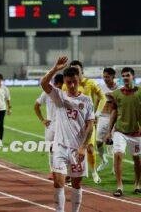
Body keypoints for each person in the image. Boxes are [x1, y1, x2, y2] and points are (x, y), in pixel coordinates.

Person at [41, 56, 95, 212]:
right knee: (58, 183)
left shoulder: (87, 100)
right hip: (60, 147)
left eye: (74, 82)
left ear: (79, 80)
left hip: (77, 149)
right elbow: (44, 84)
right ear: (64, 81)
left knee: (77, 184)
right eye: (68, 82)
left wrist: (83, 147)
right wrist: (55, 69)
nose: (71, 85)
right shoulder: (59, 96)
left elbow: (90, 125)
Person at [62, 60, 105, 184]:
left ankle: (93, 171)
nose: (74, 71)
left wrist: (97, 113)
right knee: (71, 149)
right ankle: (70, 174)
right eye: (72, 69)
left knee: (90, 148)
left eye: (77, 69)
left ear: (82, 71)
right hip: (73, 124)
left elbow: (103, 97)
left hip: (88, 122)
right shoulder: (65, 85)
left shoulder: (90, 83)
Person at [104, 67, 141, 197]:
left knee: (137, 159)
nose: (125, 77)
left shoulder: (140, 92)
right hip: (120, 131)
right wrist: (109, 131)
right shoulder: (117, 94)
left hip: (137, 132)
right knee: (118, 155)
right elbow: (113, 112)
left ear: (133, 77)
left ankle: (137, 184)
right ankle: (119, 186)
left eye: (128, 75)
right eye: (123, 75)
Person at [34, 73, 64, 180]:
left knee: (64, 149)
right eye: (59, 85)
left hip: (63, 126)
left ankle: (63, 171)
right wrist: (42, 119)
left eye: (62, 85)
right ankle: (52, 171)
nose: (60, 87)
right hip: (50, 125)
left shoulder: (65, 92)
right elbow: (36, 105)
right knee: (51, 149)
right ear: (55, 83)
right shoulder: (46, 93)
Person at [96, 68, 119, 173]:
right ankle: (104, 160)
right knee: (98, 142)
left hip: (115, 117)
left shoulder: (119, 88)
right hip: (103, 116)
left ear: (113, 77)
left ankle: (115, 167)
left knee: (114, 143)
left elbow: (121, 103)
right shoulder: (101, 87)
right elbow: (97, 100)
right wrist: (94, 114)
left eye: (107, 77)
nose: (105, 79)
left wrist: (112, 98)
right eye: (104, 76)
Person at [0, 73, 11, 140]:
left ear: (1, 80)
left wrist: (9, 108)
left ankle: (0, 139)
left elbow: (8, 99)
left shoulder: (5, 88)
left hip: (2, 109)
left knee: (1, 125)